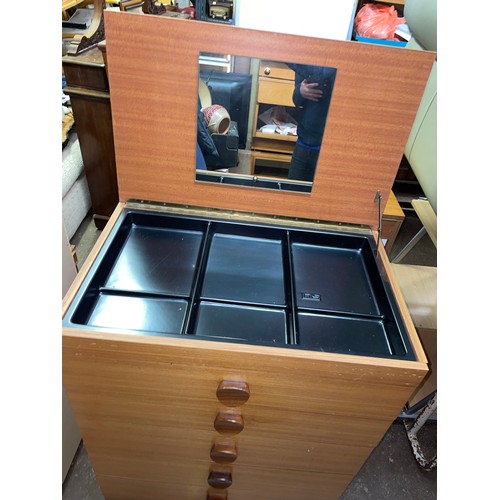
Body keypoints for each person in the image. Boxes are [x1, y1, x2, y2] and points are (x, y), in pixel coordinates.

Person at [286, 64, 337, 181]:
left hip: (328, 149)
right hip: (302, 144)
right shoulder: (307, 63)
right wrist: (300, 91)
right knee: (291, 191)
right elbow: (297, 101)